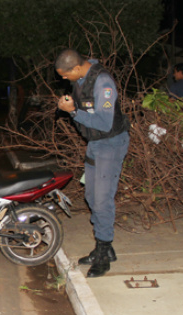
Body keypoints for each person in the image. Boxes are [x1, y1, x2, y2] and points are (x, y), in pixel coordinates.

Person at [55, 48, 130, 278]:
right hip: (96, 145)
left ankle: (103, 252)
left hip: (110, 143)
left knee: (102, 199)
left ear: (76, 68)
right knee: (91, 196)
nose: (64, 79)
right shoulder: (81, 79)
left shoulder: (103, 82)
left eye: (65, 75)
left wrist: (73, 112)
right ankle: (105, 247)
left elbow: (104, 123)